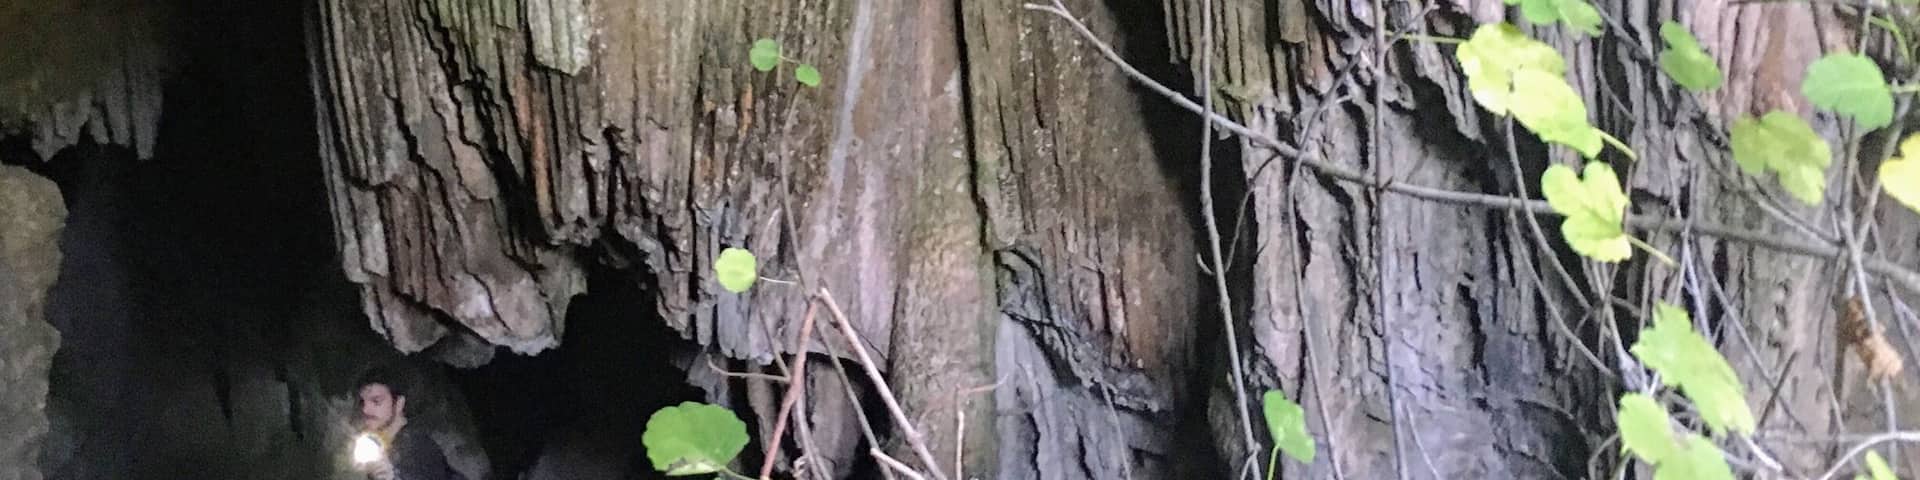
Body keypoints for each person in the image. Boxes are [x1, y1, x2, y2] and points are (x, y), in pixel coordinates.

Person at [352, 365, 468, 480]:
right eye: (363, 402)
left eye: (376, 401)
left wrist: (393, 478)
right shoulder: (387, 449)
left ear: (399, 403)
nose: (365, 409)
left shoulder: (417, 446)